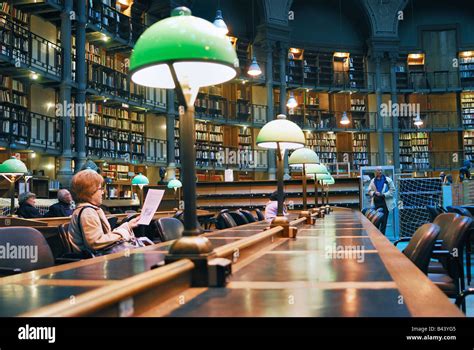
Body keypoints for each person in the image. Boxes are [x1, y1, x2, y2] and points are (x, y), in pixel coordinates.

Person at [68, 169, 142, 255]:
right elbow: (96, 243)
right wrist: (122, 233)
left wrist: (128, 226)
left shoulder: (88, 210)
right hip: (95, 263)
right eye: (100, 188)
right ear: (89, 191)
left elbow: (103, 238)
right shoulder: (87, 212)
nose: (103, 192)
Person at [367, 167, 395, 235]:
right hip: (376, 204)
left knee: (384, 221)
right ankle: (376, 237)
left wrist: (384, 194)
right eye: (378, 170)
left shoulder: (388, 180)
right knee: (376, 221)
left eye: (381, 170)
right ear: (375, 171)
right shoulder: (373, 180)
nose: (380, 171)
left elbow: (392, 190)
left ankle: (382, 237)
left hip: (385, 203)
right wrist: (374, 193)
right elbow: (369, 191)